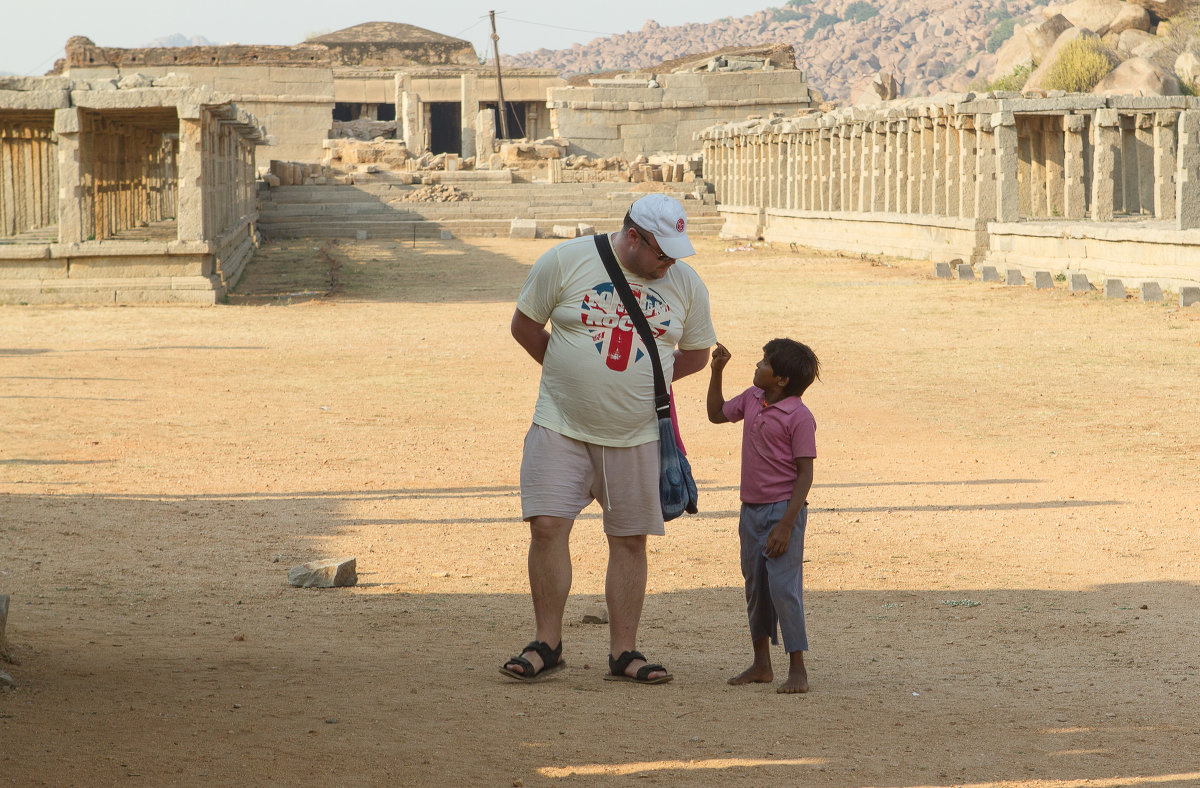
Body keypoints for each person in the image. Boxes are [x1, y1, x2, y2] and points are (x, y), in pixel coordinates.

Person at [502, 194, 716, 685]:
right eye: (663, 253)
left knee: (629, 541)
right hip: (560, 424)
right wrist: (568, 379)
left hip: (639, 434)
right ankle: (547, 643)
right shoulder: (565, 260)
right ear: (634, 237)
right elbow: (525, 325)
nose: (671, 263)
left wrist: (645, 386)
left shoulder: (684, 283)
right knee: (547, 527)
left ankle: (624, 651)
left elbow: (697, 353)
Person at [707, 338, 820, 694]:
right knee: (756, 586)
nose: (757, 366)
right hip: (751, 510)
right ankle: (761, 664)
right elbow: (716, 414)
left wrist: (786, 524)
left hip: (783, 512)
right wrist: (716, 371)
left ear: (782, 380)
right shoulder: (753, 398)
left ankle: (797, 669)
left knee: (785, 589)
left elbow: (805, 474)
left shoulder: (799, 417)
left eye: (764, 363)